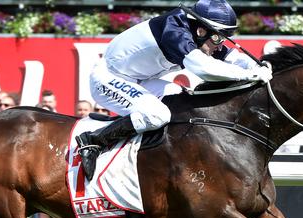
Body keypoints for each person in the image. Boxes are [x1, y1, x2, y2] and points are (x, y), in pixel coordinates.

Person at [75, 0, 272, 181]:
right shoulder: (175, 31)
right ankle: (93, 141)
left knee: (182, 102)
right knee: (157, 114)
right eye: (218, 38)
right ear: (202, 31)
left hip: (140, 80)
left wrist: (260, 65)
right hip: (108, 78)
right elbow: (205, 69)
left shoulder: (199, 33)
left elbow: (233, 57)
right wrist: (251, 75)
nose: (220, 45)